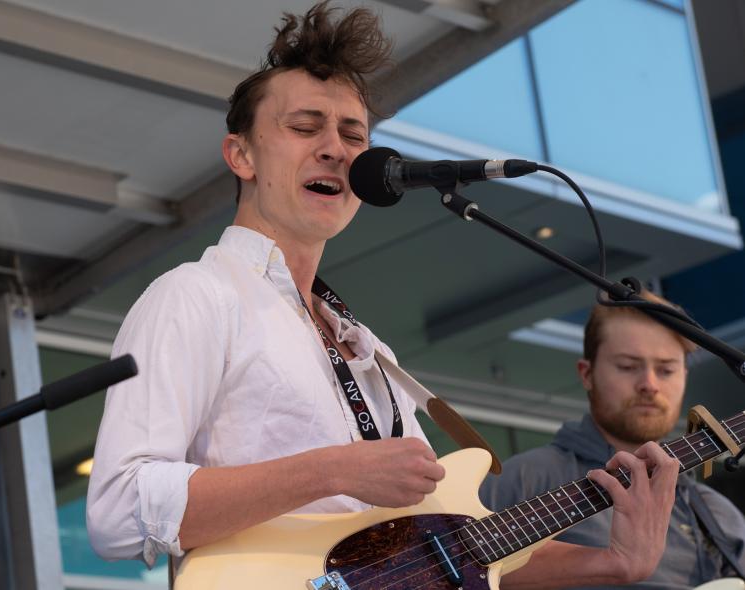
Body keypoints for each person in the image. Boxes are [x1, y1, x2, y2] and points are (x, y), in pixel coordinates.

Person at [86, 3, 679, 587]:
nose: (335, 149)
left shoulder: (366, 347)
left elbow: (450, 548)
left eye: (353, 134)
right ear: (241, 155)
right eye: (304, 127)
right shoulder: (195, 294)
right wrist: (333, 471)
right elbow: (117, 511)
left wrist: (611, 562)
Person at [480, 291, 745, 589]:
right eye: (628, 366)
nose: (649, 385)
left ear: (684, 376)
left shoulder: (719, 515)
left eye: (666, 370)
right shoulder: (525, 478)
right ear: (587, 374)